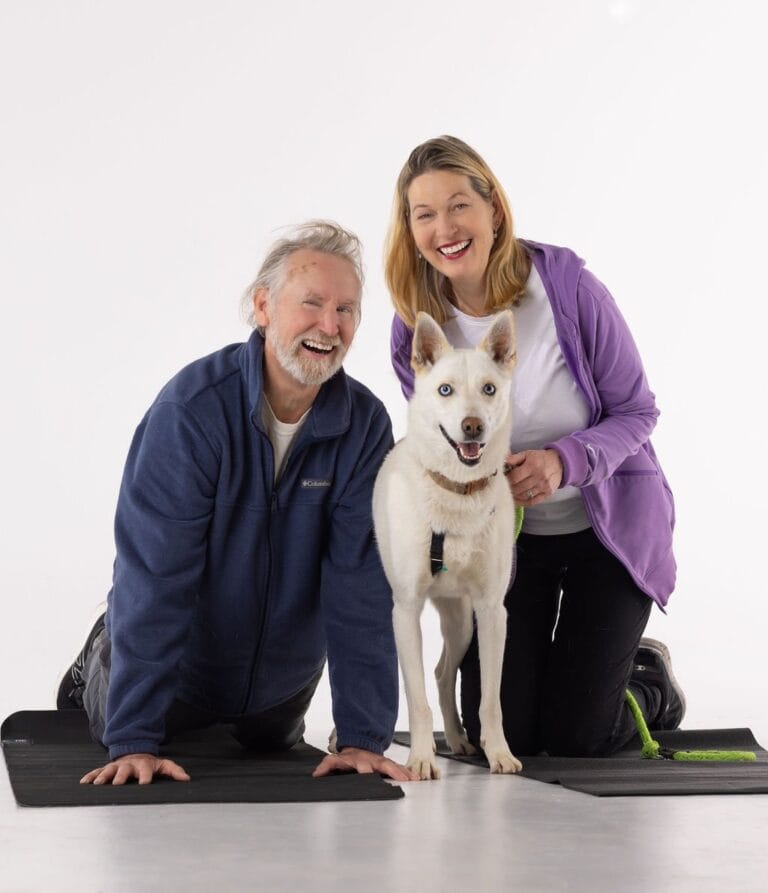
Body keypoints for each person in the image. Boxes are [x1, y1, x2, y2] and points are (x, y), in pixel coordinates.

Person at [59, 220, 414, 784]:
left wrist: (363, 736)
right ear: (264, 306)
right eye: (313, 304)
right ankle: (95, 662)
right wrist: (132, 736)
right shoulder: (191, 414)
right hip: (180, 671)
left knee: (267, 746)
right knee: (130, 721)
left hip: (278, 691)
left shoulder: (365, 427)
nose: (330, 325)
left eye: (347, 310)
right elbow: (157, 576)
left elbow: (361, 583)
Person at [384, 136, 683, 758]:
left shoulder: (569, 291)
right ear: (410, 229)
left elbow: (638, 410)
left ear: (493, 208)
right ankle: (571, 679)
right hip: (504, 539)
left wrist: (563, 462)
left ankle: (646, 684)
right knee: (513, 732)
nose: (446, 228)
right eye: (425, 214)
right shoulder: (418, 324)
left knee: (578, 737)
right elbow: (436, 441)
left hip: (607, 538)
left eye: (459, 205)